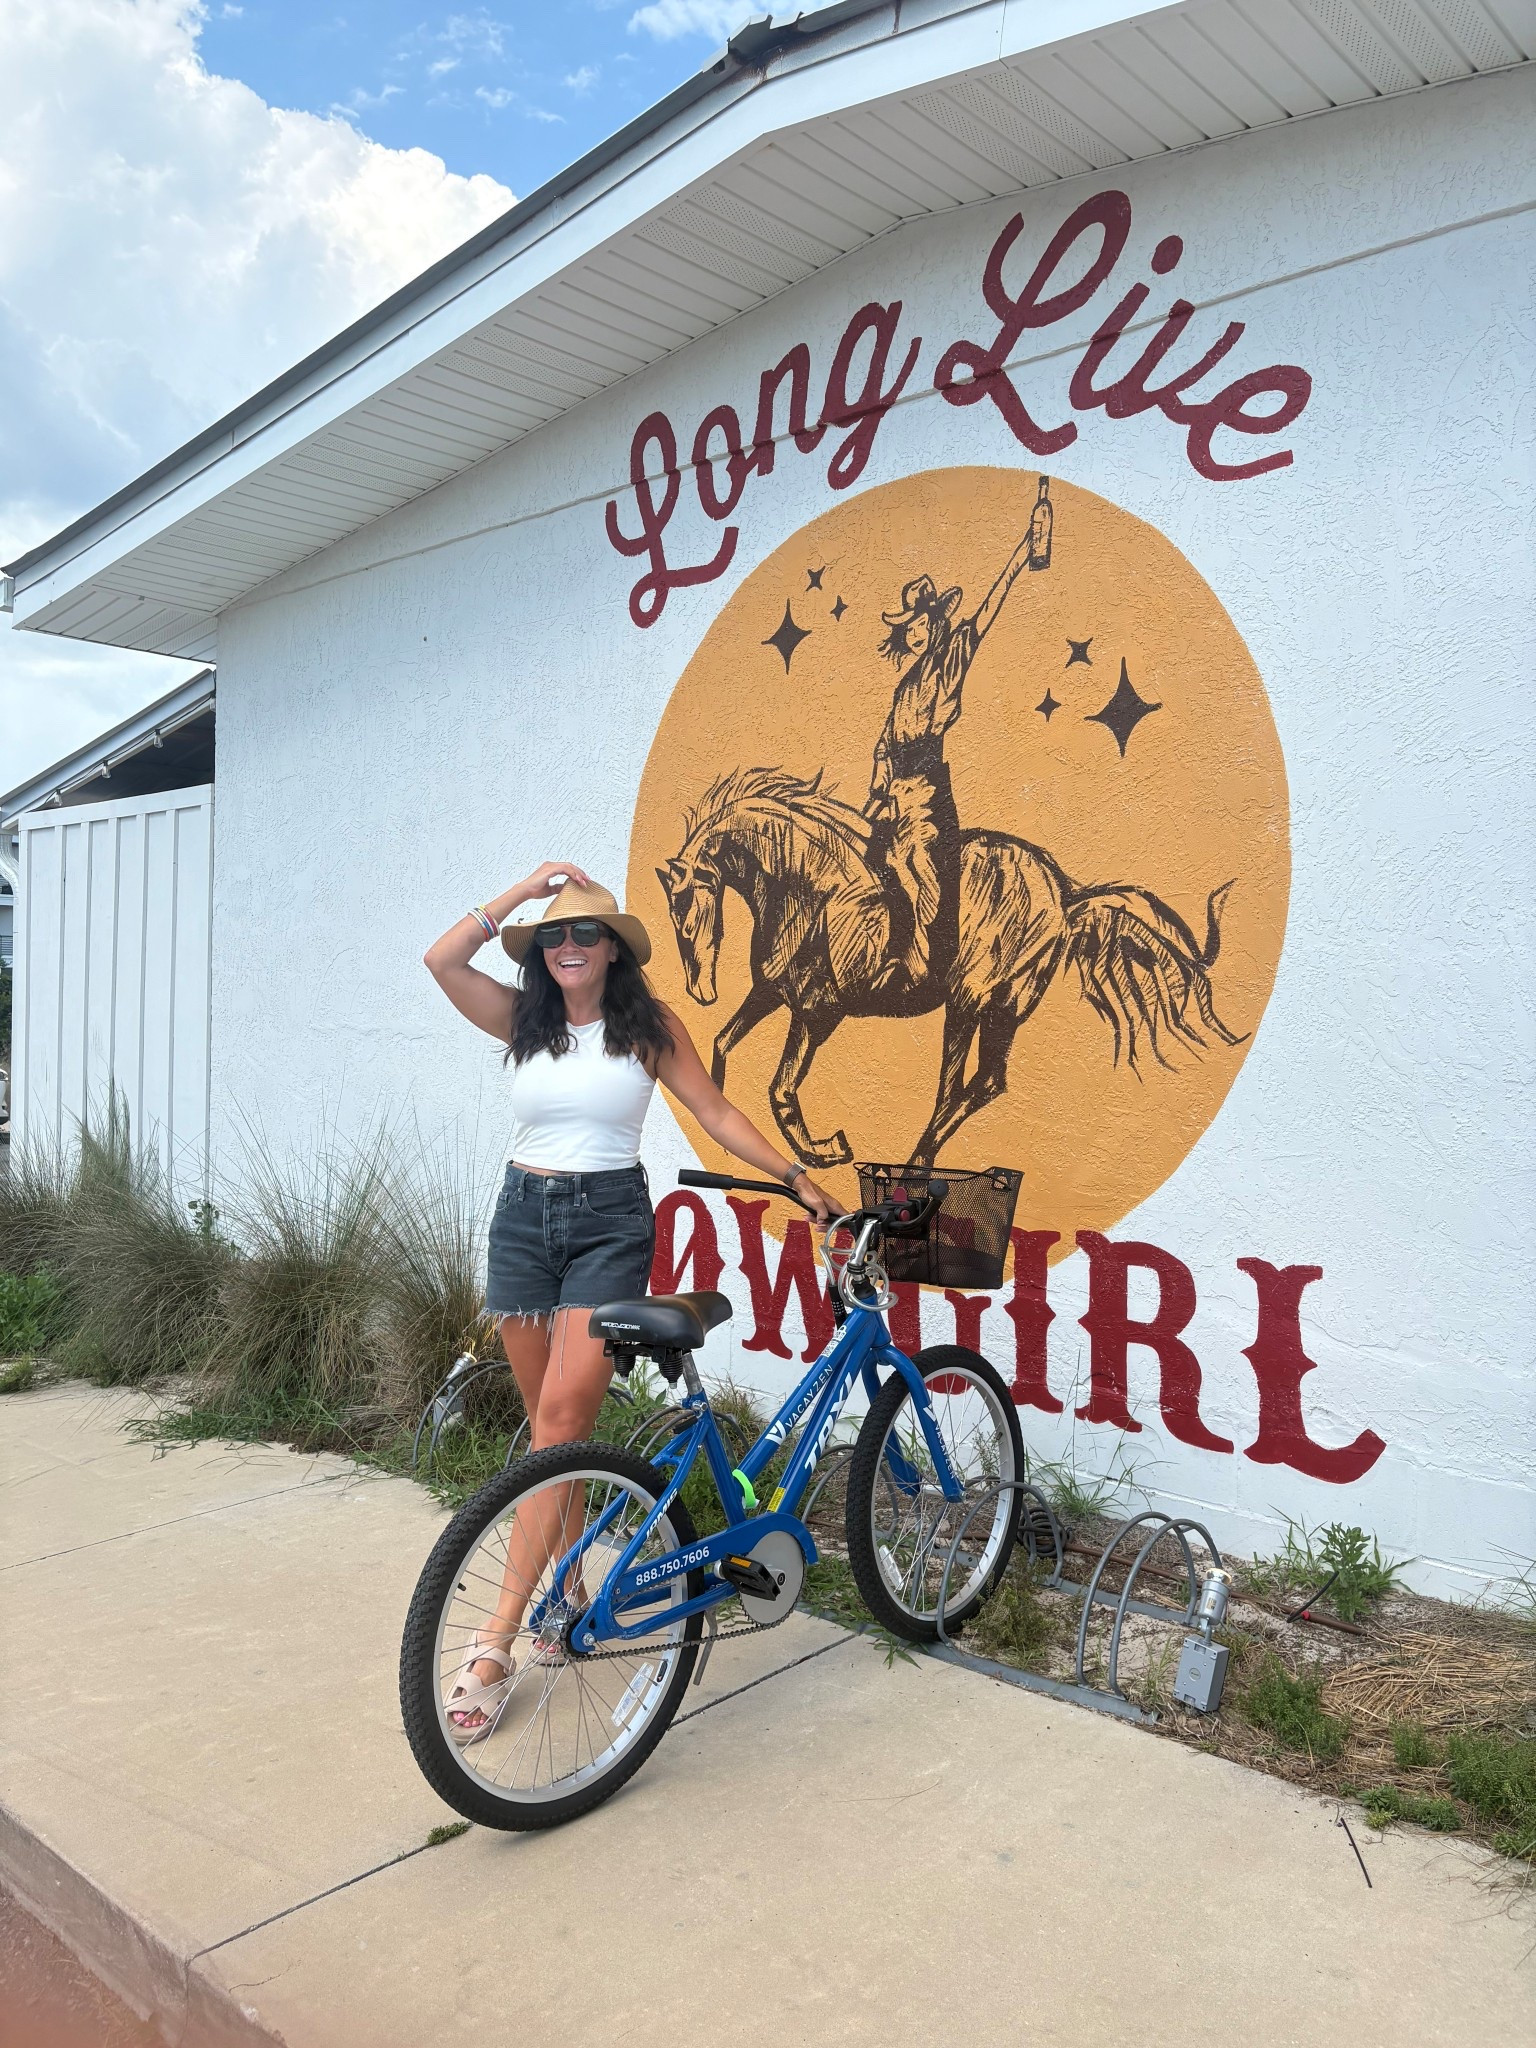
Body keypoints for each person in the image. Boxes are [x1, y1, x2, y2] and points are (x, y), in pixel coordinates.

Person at [423, 862, 836, 1738]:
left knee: (560, 1424)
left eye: (587, 932)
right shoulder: (523, 1020)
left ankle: (495, 1641)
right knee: (550, 1433)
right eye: (555, 936)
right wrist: (521, 893)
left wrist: (794, 1175)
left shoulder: (647, 1027)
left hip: (608, 1223)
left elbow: (715, 1112)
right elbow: (442, 960)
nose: (569, 945)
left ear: (614, 948)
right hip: (522, 1220)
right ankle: (569, 1589)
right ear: (542, 950)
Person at [866, 523, 1043, 1000]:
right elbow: (884, 742)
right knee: (873, 860)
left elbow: (986, 613)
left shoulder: (951, 659)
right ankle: (887, 951)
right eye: (908, 628)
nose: (914, 634)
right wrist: (878, 787)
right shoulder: (906, 685)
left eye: (921, 625)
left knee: (921, 866)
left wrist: (1021, 554)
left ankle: (923, 965)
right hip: (896, 790)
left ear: (936, 623)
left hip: (926, 791)